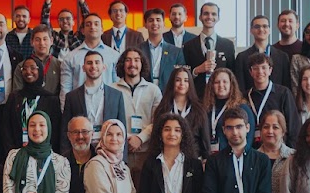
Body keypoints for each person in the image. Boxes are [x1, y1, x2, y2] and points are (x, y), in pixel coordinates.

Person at [0, 56, 63, 157]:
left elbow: (55, 131)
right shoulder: (14, 97)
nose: (28, 71)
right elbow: (6, 128)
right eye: (24, 68)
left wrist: (46, 152)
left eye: (33, 68)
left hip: (43, 154)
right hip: (17, 154)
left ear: (41, 71)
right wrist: (12, 152)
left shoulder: (51, 99)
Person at [113, 47, 163, 175]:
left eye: (136, 60)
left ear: (142, 64)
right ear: (122, 64)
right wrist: (128, 139)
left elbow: (158, 120)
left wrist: (140, 138)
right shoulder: (112, 89)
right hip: (120, 152)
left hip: (147, 151)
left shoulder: (154, 90)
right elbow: (111, 121)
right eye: (128, 60)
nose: (132, 64)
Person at [62, 49, 128, 143]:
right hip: (82, 149)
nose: (93, 66)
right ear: (83, 68)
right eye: (89, 63)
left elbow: (122, 130)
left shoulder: (116, 95)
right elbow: (65, 130)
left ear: (104, 67)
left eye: (97, 62)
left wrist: (123, 157)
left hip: (109, 149)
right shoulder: (72, 97)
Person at [182, 1, 236, 93]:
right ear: (200, 17)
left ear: (218, 18)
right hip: (197, 95)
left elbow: (232, 73)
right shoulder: (188, 45)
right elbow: (184, 73)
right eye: (206, 13)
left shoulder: (228, 45)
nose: (210, 17)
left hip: (221, 94)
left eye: (213, 14)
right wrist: (197, 70)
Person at [244, 52, 296, 146]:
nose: (260, 71)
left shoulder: (283, 93)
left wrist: (290, 151)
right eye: (255, 68)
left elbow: (293, 126)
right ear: (250, 72)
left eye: (264, 67)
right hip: (253, 151)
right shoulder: (245, 97)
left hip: (279, 150)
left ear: (270, 70)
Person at [151, 66, 208, 151]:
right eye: (178, 80)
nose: (182, 83)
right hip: (167, 157)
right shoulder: (162, 109)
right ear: (172, 83)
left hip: (192, 158)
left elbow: (204, 139)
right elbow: (155, 138)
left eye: (186, 80)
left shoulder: (199, 110)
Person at [61, 14, 119, 96]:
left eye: (96, 24)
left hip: (108, 104)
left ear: (102, 30)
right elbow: (65, 88)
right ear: (83, 31)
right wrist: (65, 108)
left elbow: (118, 86)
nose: (92, 27)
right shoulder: (70, 57)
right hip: (79, 105)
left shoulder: (114, 56)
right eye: (88, 24)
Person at [201, 66, 253, 155]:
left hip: (233, 158)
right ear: (211, 86)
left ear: (231, 85)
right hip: (209, 160)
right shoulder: (206, 108)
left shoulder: (242, 108)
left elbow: (249, 137)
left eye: (225, 82)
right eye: (217, 82)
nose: (221, 85)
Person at [233, 15, 290, 91]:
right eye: (257, 27)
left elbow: (286, 86)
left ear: (269, 30)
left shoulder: (282, 57)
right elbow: (240, 87)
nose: (261, 29)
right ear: (251, 30)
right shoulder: (242, 57)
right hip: (250, 100)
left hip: (277, 101)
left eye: (265, 26)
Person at [138, 7, 188, 90]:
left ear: (164, 23)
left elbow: (180, 75)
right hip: (144, 93)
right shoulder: (138, 50)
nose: (155, 23)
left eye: (158, 20)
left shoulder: (176, 52)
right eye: (151, 20)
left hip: (168, 95)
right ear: (145, 25)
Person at [9, 25, 64, 96]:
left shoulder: (59, 65)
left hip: (52, 105)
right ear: (32, 42)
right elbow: (17, 94)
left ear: (51, 41)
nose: (42, 43)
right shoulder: (22, 66)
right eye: (37, 39)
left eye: (45, 39)